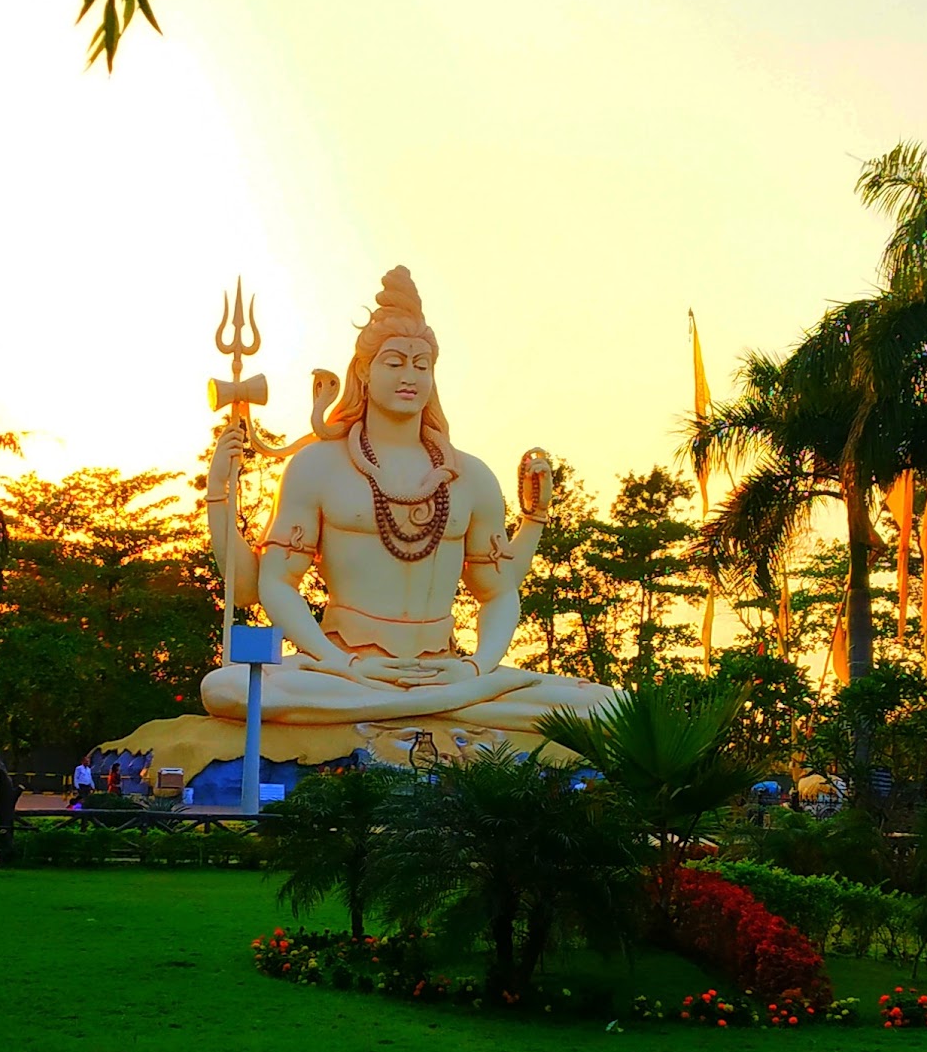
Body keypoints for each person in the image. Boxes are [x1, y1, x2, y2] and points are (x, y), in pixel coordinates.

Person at [193, 267, 617, 742]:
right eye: (394, 362)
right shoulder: (318, 465)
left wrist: (476, 666)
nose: (410, 376)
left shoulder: (471, 475)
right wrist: (341, 663)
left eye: (422, 365)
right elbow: (273, 582)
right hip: (341, 669)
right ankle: (444, 711)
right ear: (364, 372)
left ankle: (426, 703)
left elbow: (498, 590)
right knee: (227, 687)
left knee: (613, 703)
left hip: (445, 668)